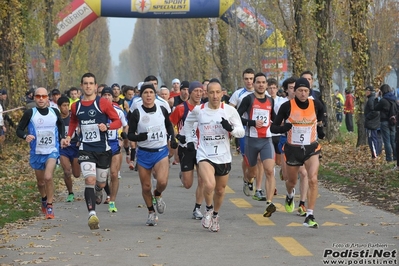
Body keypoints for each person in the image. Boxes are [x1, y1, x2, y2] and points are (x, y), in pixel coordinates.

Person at [183, 79, 245, 232]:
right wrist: (190, 140)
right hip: (204, 153)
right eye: (211, 92)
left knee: (220, 190)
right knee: (209, 184)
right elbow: (188, 124)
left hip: (223, 156)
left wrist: (230, 128)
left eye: (218, 92)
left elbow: (241, 131)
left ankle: (216, 215)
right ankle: (209, 210)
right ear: (207, 94)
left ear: (222, 93)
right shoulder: (199, 110)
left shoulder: (229, 111)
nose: (215, 95)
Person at [64, 73, 122, 230]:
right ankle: (92, 215)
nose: (88, 86)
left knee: (101, 182)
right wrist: (69, 136)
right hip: (86, 149)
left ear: (96, 86)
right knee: (89, 180)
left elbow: (118, 121)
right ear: (81, 86)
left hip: (103, 149)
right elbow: (74, 120)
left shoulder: (103, 103)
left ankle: (98, 190)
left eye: (91, 83)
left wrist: (108, 126)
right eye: (85, 83)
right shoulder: (76, 106)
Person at [270, 77, 325, 228]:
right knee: (291, 181)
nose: (302, 93)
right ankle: (289, 196)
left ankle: (310, 214)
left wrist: (320, 127)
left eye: (305, 91)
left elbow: (321, 115)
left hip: (311, 148)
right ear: (294, 91)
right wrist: (283, 128)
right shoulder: (287, 106)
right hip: (292, 149)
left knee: (312, 178)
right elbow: (273, 128)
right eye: (300, 90)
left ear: (309, 91)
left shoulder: (316, 104)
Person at [128, 82, 177, 226]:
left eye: (151, 92)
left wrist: (172, 138)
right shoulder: (137, 112)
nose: (148, 95)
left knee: (162, 182)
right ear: (141, 95)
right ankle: (151, 212)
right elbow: (130, 134)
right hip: (144, 153)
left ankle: (158, 194)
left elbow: (168, 125)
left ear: (154, 95)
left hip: (160, 151)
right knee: (146, 187)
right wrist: (138, 137)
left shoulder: (162, 109)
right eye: (145, 93)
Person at [16, 87, 67, 219]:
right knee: (40, 183)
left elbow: (61, 125)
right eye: (38, 96)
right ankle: (44, 199)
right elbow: (19, 130)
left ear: (47, 98)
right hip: (37, 152)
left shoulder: (54, 112)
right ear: (34, 98)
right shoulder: (30, 113)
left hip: (52, 151)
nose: (41, 99)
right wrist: (25, 136)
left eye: (43, 96)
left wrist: (62, 138)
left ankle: (50, 206)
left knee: (48, 177)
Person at [237, 73, 277, 216]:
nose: (261, 85)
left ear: (266, 85)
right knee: (252, 172)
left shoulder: (270, 101)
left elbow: (274, 118)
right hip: (251, 140)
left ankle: (269, 202)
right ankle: (247, 180)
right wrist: (252, 123)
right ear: (254, 84)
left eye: (263, 82)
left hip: (266, 140)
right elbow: (237, 117)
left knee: (269, 170)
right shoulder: (248, 99)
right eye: (258, 82)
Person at [170, 81, 204, 219]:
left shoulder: (204, 108)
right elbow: (170, 124)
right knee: (188, 184)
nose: (198, 94)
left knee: (203, 180)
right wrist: (177, 137)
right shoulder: (181, 109)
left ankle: (197, 208)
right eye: (196, 91)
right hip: (186, 148)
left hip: (202, 148)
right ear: (190, 92)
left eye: (201, 91)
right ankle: (183, 176)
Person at [278, 77, 310, 216]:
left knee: (304, 173)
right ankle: (290, 194)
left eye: (294, 87)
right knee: (289, 179)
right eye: (291, 88)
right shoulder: (283, 105)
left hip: (304, 144)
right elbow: (276, 123)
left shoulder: (309, 104)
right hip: (286, 142)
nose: (294, 90)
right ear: (287, 90)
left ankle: (302, 203)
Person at [229, 68, 258, 197]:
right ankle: (247, 179)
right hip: (243, 132)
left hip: (259, 132)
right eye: (246, 79)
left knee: (257, 159)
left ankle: (251, 180)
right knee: (247, 158)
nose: (249, 81)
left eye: (251, 78)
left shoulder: (262, 94)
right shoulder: (238, 94)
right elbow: (230, 111)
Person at [100, 87, 128, 212]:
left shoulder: (118, 111)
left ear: (112, 97)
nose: (106, 97)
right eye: (104, 95)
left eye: (108, 95)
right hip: (99, 145)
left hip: (114, 144)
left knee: (114, 174)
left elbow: (125, 126)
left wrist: (122, 138)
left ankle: (112, 201)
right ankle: (99, 188)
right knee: (101, 177)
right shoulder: (96, 111)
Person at [57, 96, 80, 202]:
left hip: (75, 147)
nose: (66, 108)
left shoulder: (73, 118)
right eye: (64, 106)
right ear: (59, 107)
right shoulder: (57, 119)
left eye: (67, 105)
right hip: (63, 148)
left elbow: (80, 130)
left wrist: (80, 139)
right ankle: (70, 193)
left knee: (76, 174)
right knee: (67, 171)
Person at [375, 84, 397, 162]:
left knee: (387, 141)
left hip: (384, 121)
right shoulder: (394, 99)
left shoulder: (383, 100)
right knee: (393, 140)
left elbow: (376, 107)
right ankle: (395, 157)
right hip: (393, 121)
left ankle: (388, 158)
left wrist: (376, 97)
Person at [364, 86, 381, 159]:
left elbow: (375, 111)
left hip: (372, 123)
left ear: (369, 91)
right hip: (375, 122)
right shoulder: (373, 99)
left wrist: (367, 117)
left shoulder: (371, 100)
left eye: (366, 91)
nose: (365, 92)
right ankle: (377, 153)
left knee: (372, 139)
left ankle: (375, 154)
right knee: (376, 138)